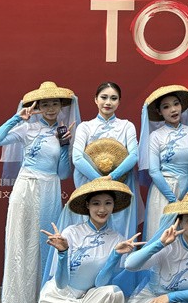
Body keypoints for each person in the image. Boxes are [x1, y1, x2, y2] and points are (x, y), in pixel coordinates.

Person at [0, 81, 79, 303]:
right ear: (37, 106)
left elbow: (63, 173)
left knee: (46, 243)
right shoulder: (27, 128)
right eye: (45, 104)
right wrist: (16, 118)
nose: (50, 108)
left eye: (55, 103)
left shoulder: (63, 131)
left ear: (61, 106)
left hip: (51, 189)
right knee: (21, 242)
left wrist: (64, 146)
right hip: (26, 186)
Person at [28, 179, 143, 303]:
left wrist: (115, 255)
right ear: (87, 205)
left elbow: (100, 284)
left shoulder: (117, 239)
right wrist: (63, 252)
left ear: (113, 206)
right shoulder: (71, 233)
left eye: (108, 203)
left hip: (87, 298)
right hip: (60, 299)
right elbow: (61, 283)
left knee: (114, 292)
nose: (102, 209)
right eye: (96, 203)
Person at [59, 81, 141, 243]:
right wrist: (99, 181)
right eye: (104, 97)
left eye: (113, 98)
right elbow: (77, 158)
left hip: (121, 184)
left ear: (119, 101)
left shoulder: (126, 126)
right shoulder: (85, 127)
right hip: (89, 184)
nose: (108, 102)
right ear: (95, 99)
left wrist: (111, 178)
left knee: (120, 231)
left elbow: (133, 156)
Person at [139, 85, 188, 240]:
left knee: (184, 239)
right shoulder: (155, 136)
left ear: (182, 106)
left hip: (187, 191)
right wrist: (173, 199)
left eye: (176, 104)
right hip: (162, 192)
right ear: (159, 112)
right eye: (166, 107)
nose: (173, 110)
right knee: (161, 238)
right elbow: (154, 171)